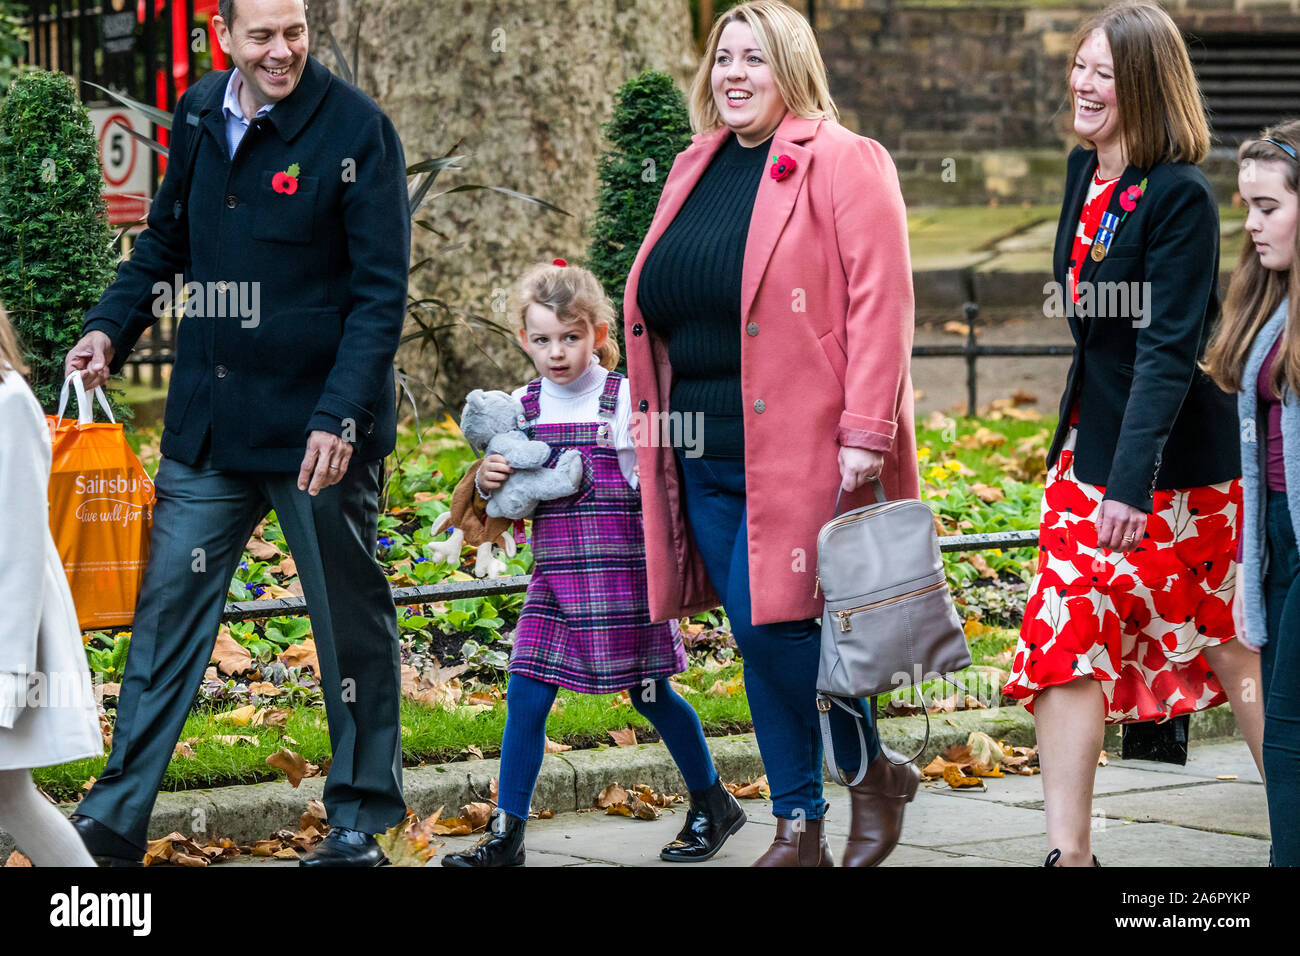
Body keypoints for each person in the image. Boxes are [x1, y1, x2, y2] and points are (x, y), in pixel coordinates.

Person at [62, 0, 410, 866]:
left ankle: (360, 819)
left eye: (293, 30)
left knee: (347, 626)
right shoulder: (197, 112)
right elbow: (164, 241)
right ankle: (112, 819)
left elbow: (379, 295)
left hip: (317, 439)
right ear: (224, 38)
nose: (282, 50)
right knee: (165, 619)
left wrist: (340, 416)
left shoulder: (358, 131)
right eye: (261, 36)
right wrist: (110, 328)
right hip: (209, 429)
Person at [623, 0, 921, 867]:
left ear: (791, 67)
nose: (735, 75)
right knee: (760, 633)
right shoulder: (696, 164)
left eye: (755, 59)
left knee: (781, 626)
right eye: (724, 58)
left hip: (807, 442)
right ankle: (802, 824)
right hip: (702, 446)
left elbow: (882, 303)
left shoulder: (844, 161)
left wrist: (868, 427)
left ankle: (865, 777)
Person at [1001, 0, 1264, 866]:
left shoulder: (1181, 196)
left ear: (1145, 86)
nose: (1081, 82)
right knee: (1064, 634)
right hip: (1091, 453)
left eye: (1103, 73)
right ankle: (1069, 855)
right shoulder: (1088, 172)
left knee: (1229, 645)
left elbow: (1166, 351)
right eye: (1079, 65)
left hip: (1177, 478)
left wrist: (1128, 481)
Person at [443, 261, 744, 867]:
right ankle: (508, 835)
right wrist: (490, 475)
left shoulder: (624, 396)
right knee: (525, 694)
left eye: (571, 337)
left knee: (651, 695)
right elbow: (502, 491)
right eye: (543, 339)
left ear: (600, 333)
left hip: (623, 574)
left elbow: (661, 480)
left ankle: (713, 801)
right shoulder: (523, 407)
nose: (557, 353)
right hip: (555, 577)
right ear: (525, 340)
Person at [1201, 120, 1300, 867]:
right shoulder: (1271, 302)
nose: (1251, 223)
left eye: (1267, 206)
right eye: (1246, 206)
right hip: (1275, 535)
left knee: (1290, 723)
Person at [0, 303, 102, 867]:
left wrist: (10, 672)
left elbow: (18, 545)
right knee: (10, 794)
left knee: (11, 793)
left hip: (7, 625)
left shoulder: (8, 400)